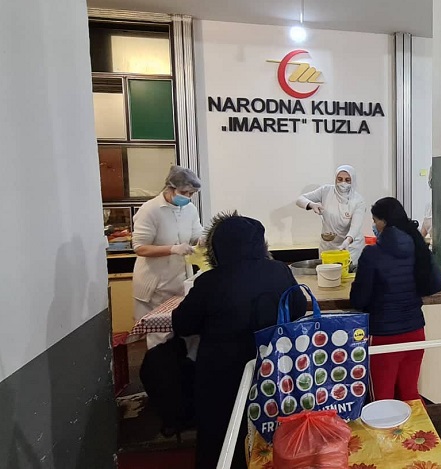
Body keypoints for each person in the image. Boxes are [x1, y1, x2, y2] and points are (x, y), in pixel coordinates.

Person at [172, 212, 307, 469]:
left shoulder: (209, 281)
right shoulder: (279, 271)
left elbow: (182, 324)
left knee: (222, 433)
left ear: (216, 248)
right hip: (272, 368)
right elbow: (298, 308)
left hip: (221, 375)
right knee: (271, 427)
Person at [350, 197, 441, 401]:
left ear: (384, 221)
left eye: (375, 220)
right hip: (415, 331)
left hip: (383, 335)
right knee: (410, 395)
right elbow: (436, 283)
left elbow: (358, 300)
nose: (374, 225)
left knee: (382, 398)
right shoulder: (418, 246)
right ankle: (417, 424)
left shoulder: (372, 254)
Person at [132, 166, 203, 347]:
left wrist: (203, 240)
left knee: (182, 332)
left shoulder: (189, 209)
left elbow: (196, 234)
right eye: (184, 192)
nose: (187, 197)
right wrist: (172, 249)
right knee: (160, 337)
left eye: (191, 194)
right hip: (155, 283)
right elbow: (140, 248)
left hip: (179, 279)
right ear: (170, 188)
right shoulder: (150, 210)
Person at [296, 164, 367, 265]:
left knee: (347, 271)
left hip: (350, 247)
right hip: (328, 245)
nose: (343, 183)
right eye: (339, 179)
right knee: (327, 272)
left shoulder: (358, 201)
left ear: (353, 181)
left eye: (347, 180)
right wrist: (311, 204)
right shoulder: (326, 191)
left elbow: (355, 226)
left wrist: (347, 241)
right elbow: (300, 200)